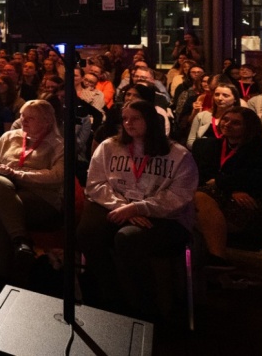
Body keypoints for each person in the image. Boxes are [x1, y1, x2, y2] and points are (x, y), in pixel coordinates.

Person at [77, 99, 197, 321]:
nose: (128, 123)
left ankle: (145, 308)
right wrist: (124, 207)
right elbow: (95, 184)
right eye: (125, 119)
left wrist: (139, 208)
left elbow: (179, 197)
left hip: (166, 218)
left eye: (135, 118)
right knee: (88, 232)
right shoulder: (109, 147)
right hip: (120, 207)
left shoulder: (178, 155)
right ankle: (110, 298)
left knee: (127, 238)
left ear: (151, 121)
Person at [0, 100, 64, 292]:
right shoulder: (10, 137)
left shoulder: (58, 145)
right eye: (22, 116)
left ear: (46, 121)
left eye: (31, 118)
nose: (23, 121)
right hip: (8, 190)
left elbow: (58, 176)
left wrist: (19, 174)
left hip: (41, 198)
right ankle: (21, 243)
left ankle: (1, 275)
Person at [191, 106, 262, 266]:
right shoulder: (207, 146)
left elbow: (261, 179)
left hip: (252, 201)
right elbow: (202, 176)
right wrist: (232, 188)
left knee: (198, 199)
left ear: (249, 127)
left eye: (236, 123)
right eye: (225, 119)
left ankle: (217, 259)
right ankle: (214, 259)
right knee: (193, 200)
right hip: (218, 198)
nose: (227, 124)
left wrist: (221, 183)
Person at [187, 82, 242, 147]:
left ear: (235, 99)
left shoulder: (241, 118)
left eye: (225, 95)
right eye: (217, 95)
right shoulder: (202, 116)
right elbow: (190, 142)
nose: (220, 98)